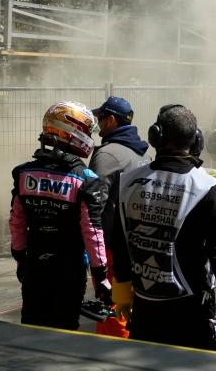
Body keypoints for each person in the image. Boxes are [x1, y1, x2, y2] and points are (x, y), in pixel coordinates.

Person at [111, 104, 216, 348]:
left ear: (155, 136)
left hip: (145, 302)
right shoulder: (206, 187)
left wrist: (122, 288)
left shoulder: (127, 181)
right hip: (190, 306)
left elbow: (120, 239)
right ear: (197, 140)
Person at [9, 101, 111, 330]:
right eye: (86, 131)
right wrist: (100, 275)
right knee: (64, 333)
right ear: (73, 133)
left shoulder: (23, 172)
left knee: (32, 326)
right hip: (70, 268)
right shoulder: (87, 179)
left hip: (34, 263)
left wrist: (20, 257)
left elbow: (17, 221)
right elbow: (92, 231)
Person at [89, 96, 151, 337]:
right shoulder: (142, 152)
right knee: (132, 301)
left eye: (101, 118)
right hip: (139, 241)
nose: (99, 123)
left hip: (111, 246)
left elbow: (94, 204)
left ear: (112, 120)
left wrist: (88, 243)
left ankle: (113, 348)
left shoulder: (107, 154)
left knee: (111, 303)